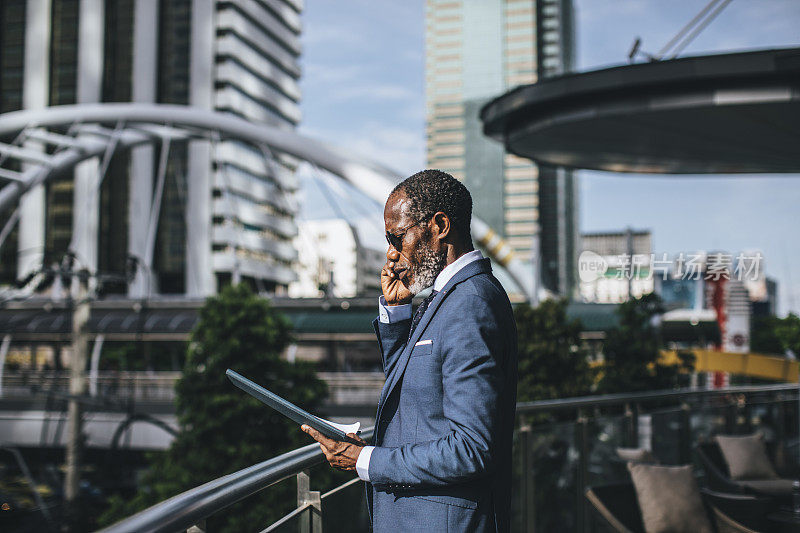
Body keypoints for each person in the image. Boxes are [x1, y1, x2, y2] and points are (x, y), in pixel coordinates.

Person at [302, 169, 518, 532]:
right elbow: (415, 393)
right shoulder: (447, 298)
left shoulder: (471, 303)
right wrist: (398, 314)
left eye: (398, 237)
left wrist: (365, 460)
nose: (391, 254)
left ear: (439, 226)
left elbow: (472, 448)